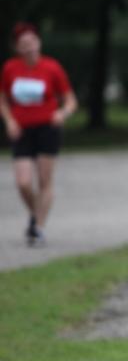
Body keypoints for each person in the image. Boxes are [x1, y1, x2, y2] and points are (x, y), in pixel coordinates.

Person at [1, 22, 77, 246]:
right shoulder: (10, 68)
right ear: (17, 47)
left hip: (47, 129)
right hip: (21, 130)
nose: (29, 47)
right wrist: (9, 121)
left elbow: (70, 100)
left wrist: (62, 113)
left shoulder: (51, 67)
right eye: (24, 44)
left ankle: (39, 229)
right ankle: (37, 214)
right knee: (23, 182)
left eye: (32, 42)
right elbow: (3, 99)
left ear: (39, 43)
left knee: (45, 180)